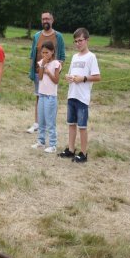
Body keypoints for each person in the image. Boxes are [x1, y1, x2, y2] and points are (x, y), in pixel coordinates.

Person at [58, 28, 101, 163]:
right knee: (71, 124)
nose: (78, 43)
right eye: (76, 41)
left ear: (87, 40)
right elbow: (71, 73)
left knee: (82, 126)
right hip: (72, 95)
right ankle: (71, 150)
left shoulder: (91, 57)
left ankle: (83, 153)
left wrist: (82, 79)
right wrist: (68, 77)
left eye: (80, 41)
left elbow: (97, 77)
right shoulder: (75, 57)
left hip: (82, 97)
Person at [28, 11, 65, 133]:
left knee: (51, 100)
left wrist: (57, 73)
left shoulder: (58, 36)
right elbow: (32, 56)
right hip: (39, 73)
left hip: (52, 75)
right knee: (39, 98)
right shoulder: (37, 36)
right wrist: (33, 72)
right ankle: (37, 123)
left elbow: (62, 57)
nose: (45, 21)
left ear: (52, 20)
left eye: (48, 19)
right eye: (43, 19)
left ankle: (50, 126)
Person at [31, 41, 61, 153]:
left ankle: (53, 144)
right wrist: (43, 65)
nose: (44, 55)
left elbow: (56, 80)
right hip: (42, 95)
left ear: (52, 52)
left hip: (51, 97)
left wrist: (49, 72)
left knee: (50, 121)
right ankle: (41, 142)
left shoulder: (56, 64)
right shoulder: (41, 63)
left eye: (47, 53)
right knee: (41, 120)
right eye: (43, 53)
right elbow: (40, 77)